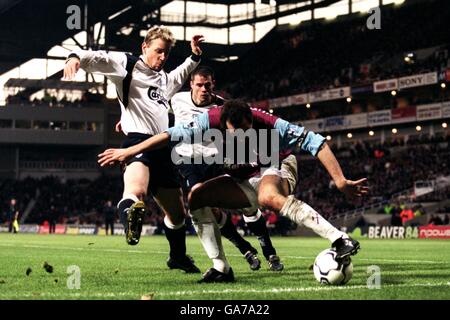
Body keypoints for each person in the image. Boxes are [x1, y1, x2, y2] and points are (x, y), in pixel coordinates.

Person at [98, 99, 368, 283]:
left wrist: (341, 181)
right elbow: (169, 135)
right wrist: (129, 150)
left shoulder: (270, 123)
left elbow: (315, 142)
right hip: (244, 176)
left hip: (277, 165)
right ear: (221, 124)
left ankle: (339, 239)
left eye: (246, 131)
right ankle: (221, 268)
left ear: (252, 119)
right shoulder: (208, 120)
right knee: (196, 198)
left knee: (267, 196)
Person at [64, 26, 204, 273]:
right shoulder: (126, 65)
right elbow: (99, 57)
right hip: (137, 142)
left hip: (162, 146)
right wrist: (75, 57)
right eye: (158, 51)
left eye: (166, 54)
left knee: (178, 214)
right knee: (136, 190)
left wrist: (194, 57)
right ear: (144, 47)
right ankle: (130, 221)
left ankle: (178, 257)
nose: (162, 57)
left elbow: (181, 74)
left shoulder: (164, 80)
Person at [170, 66, 283, 271]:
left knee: (248, 206)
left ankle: (269, 251)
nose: (204, 89)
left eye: (208, 85)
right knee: (202, 202)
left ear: (213, 85)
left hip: (217, 159)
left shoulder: (223, 107)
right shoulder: (177, 99)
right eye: (199, 85)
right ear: (191, 85)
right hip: (188, 161)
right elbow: (158, 112)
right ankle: (244, 248)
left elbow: (245, 126)